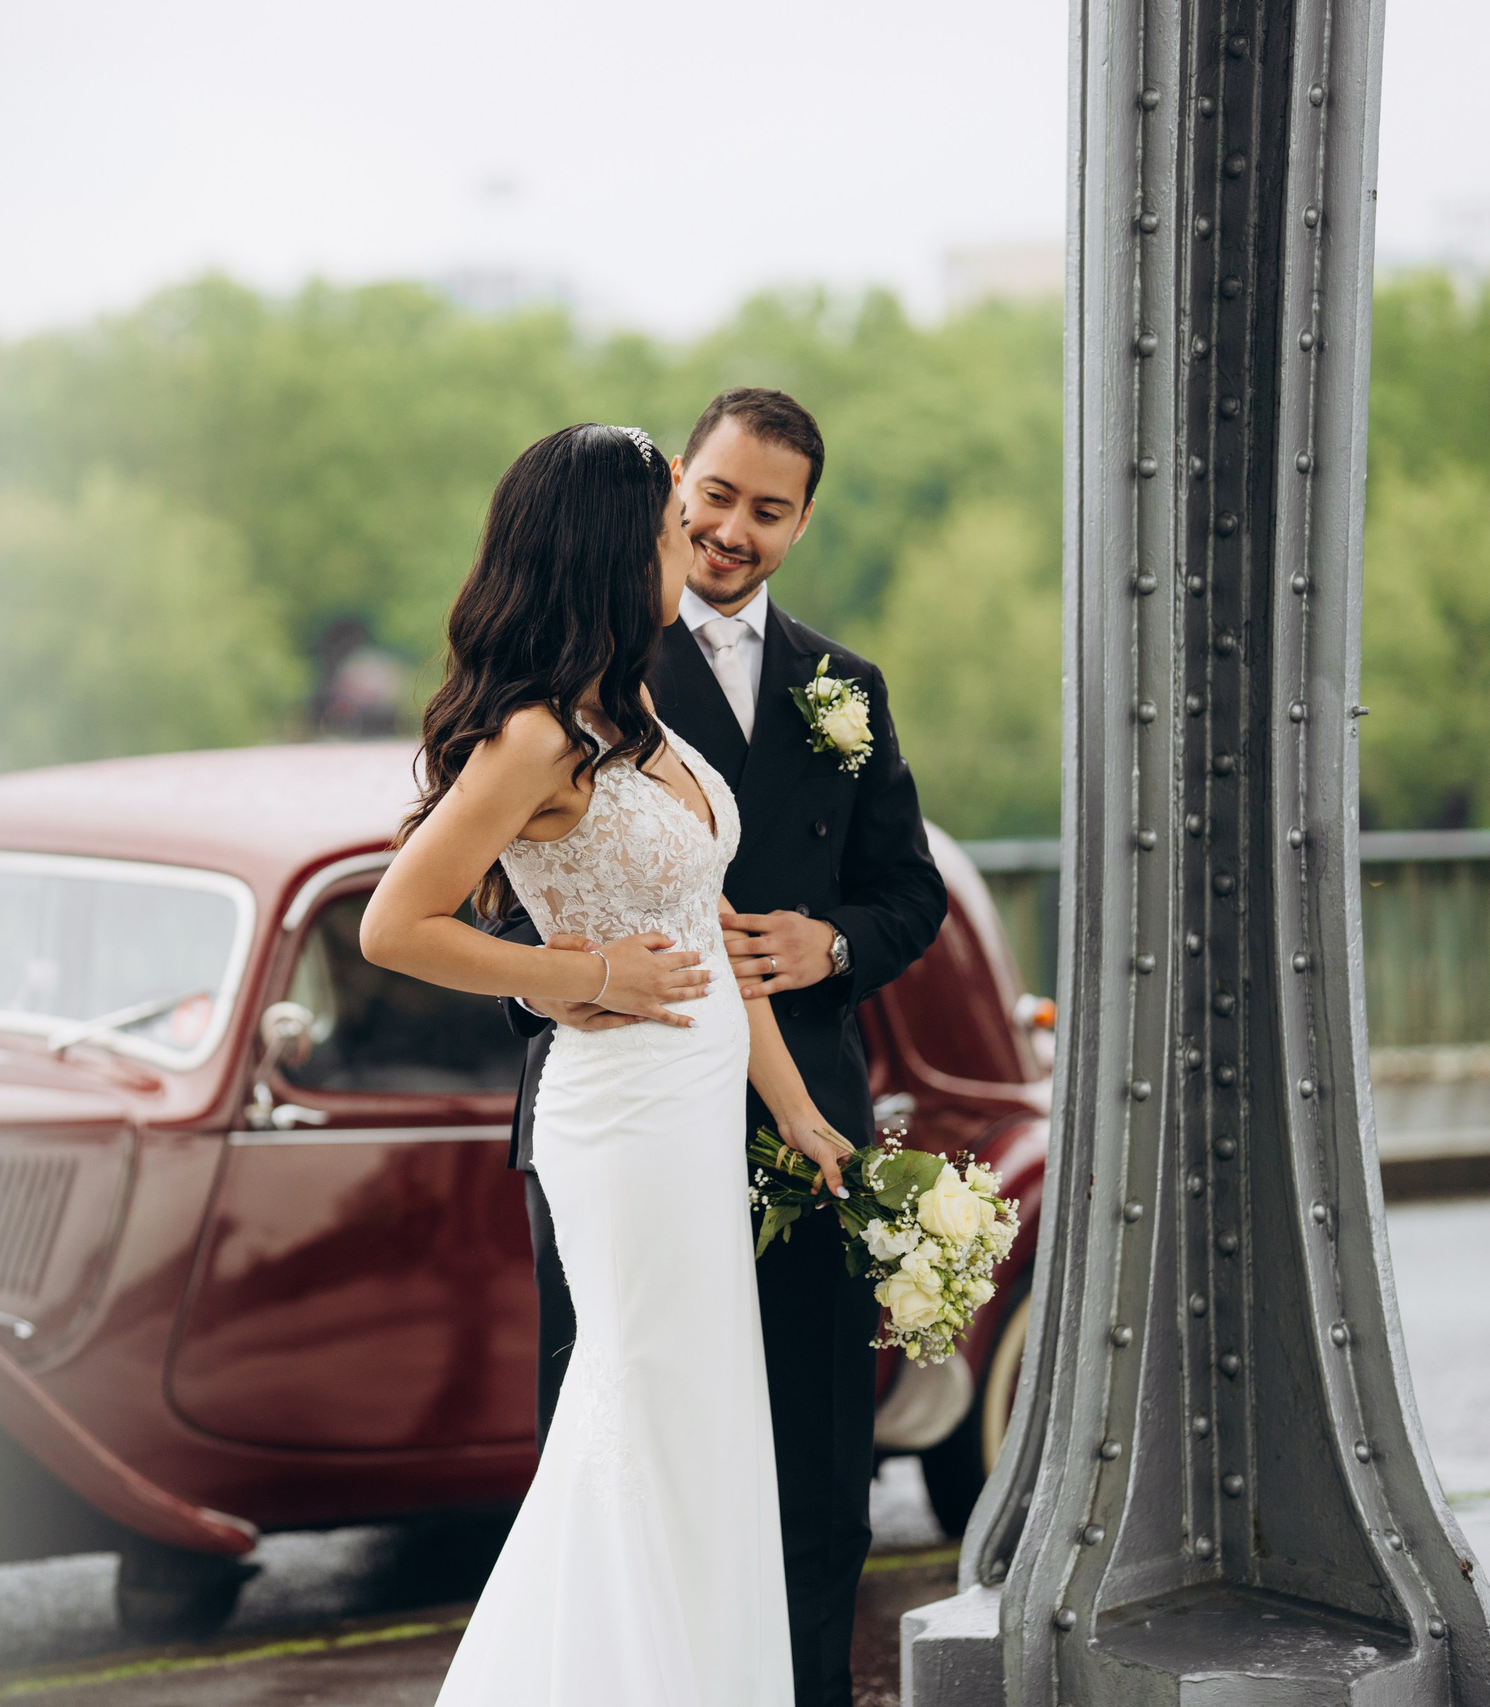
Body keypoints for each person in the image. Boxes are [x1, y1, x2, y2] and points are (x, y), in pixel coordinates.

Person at [360, 420, 856, 1705]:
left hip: (698, 1117)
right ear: (601, 551)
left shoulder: (623, 712)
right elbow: (394, 925)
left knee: (701, 1426)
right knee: (637, 1414)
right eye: (660, 533)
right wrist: (583, 977)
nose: (682, 550)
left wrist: (794, 1110)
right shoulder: (529, 739)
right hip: (622, 1121)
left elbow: (703, 938)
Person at [497, 388, 947, 1707]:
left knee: (814, 1459)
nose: (731, 530)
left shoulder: (842, 686)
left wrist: (834, 944)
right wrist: (574, 990)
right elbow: (487, 896)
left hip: (798, 1105)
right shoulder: (582, 668)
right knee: (624, 1438)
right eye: (714, 496)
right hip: (634, 1115)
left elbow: (907, 888)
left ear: (805, 521)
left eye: (768, 509)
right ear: (675, 485)